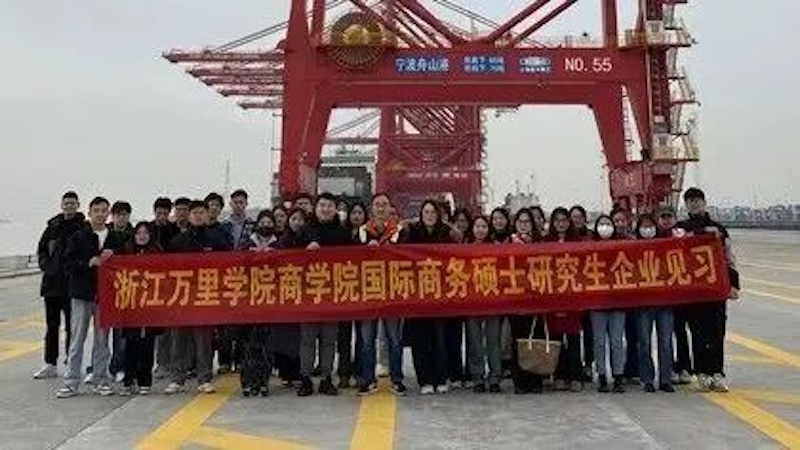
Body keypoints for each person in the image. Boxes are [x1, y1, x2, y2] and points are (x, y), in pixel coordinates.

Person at [56, 196, 126, 398]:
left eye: (104, 210)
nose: (100, 214)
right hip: (81, 294)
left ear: (108, 213)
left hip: (106, 296)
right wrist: (89, 262)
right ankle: (71, 382)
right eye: (97, 210)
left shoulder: (115, 238)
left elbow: (125, 266)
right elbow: (67, 264)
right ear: (89, 212)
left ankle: (101, 379)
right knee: (77, 339)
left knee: (102, 340)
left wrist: (115, 257)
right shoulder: (78, 237)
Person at [164, 200, 233, 395]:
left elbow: (228, 264)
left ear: (207, 214)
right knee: (179, 339)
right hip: (182, 296)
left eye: (201, 212)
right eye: (194, 213)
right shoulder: (178, 241)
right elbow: (166, 267)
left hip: (205, 295)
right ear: (189, 215)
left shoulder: (217, 239)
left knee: (204, 340)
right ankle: (177, 379)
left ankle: (204, 378)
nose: (198, 216)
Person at [678, 188, 740, 393]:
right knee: (697, 333)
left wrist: (733, 285)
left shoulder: (719, 229)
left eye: (697, 200)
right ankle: (702, 372)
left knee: (717, 332)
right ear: (686, 205)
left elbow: (729, 258)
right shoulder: (681, 228)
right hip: (693, 292)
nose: (694, 204)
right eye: (690, 201)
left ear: (704, 202)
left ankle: (718, 372)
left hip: (716, 290)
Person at [296, 192, 352, 396]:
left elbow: (354, 259)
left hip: (332, 294)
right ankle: (305, 378)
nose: (326, 209)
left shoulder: (343, 233)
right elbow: (289, 259)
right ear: (315, 208)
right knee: (307, 340)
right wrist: (305, 250)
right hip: (308, 294)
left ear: (335, 209)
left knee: (329, 340)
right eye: (322, 205)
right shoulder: (305, 230)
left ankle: (326, 378)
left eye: (329, 206)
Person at [356, 193, 408, 397]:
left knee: (394, 339)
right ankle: (367, 380)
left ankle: (397, 379)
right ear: (372, 208)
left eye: (384, 204)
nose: (380, 208)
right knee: (367, 340)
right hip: (368, 293)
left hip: (393, 292)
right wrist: (365, 250)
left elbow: (407, 255)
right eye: (377, 204)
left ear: (390, 208)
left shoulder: (399, 231)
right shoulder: (361, 232)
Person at [403, 200, 453, 394]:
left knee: (440, 340)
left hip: (440, 296)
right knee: (420, 340)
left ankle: (441, 378)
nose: (430, 215)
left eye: (433, 212)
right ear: (421, 214)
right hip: (417, 296)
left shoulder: (446, 234)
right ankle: (424, 379)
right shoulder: (412, 234)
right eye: (426, 212)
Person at [33, 191, 85, 379]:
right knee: (52, 326)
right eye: (66, 203)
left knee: (73, 327)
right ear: (62, 205)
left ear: (78, 205)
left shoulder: (82, 228)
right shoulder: (52, 226)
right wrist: (47, 266)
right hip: (52, 284)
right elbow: (41, 249)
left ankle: (72, 362)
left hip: (72, 286)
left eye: (72, 203)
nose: (69, 206)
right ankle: (50, 363)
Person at [118, 222, 163, 396]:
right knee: (130, 344)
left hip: (150, 306)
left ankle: (145, 381)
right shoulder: (126, 252)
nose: (142, 236)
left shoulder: (158, 253)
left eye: (145, 233)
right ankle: (128, 381)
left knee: (147, 345)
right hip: (131, 305)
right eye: (138, 233)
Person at [237, 209, 278, 397]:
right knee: (247, 344)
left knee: (265, 345)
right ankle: (247, 381)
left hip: (269, 300)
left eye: (269, 223)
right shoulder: (247, 244)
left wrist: (274, 255)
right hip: (248, 300)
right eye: (263, 222)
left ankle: (263, 381)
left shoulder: (279, 244)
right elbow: (236, 264)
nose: (266, 226)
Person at [634, 213, 675, 393]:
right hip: (643, 304)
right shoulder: (631, 247)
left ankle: (666, 379)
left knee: (666, 342)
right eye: (644, 226)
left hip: (664, 303)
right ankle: (647, 379)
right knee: (644, 343)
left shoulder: (664, 245)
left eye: (650, 226)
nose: (647, 229)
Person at [544, 207, 583, 392]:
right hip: (553, 296)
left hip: (572, 296)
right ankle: (559, 375)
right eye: (557, 220)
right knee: (556, 338)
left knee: (574, 338)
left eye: (564, 220)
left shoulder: (577, 242)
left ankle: (576, 376)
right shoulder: (545, 242)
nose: (561, 224)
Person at [218, 189, 256, 374]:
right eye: (236, 202)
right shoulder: (223, 226)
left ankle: (241, 359)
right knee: (225, 320)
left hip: (246, 277)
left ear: (246, 204)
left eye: (242, 202)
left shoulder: (253, 225)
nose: (239, 205)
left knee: (244, 319)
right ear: (231, 204)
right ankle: (224, 361)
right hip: (226, 277)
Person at [509, 208, 546, 394]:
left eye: (527, 222)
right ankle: (520, 381)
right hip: (515, 298)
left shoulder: (540, 243)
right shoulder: (508, 243)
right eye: (520, 222)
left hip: (536, 298)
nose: (523, 225)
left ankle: (536, 379)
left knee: (536, 338)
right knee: (519, 339)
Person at [657, 206, 695, 385]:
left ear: (674, 218)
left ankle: (684, 367)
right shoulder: (653, 238)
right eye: (663, 217)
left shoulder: (682, 235)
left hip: (679, 294)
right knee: (664, 336)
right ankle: (669, 368)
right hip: (660, 294)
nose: (666, 220)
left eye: (669, 217)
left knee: (680, 332)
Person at [465, 216, 503, 393]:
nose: (480, 229)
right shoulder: (465, 249)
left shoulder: (497, 248)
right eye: (477, 226)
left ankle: (495, 377)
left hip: (492, 301)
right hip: (472, 302)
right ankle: (477, 377)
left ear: (488, 229)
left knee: (493, 341)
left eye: (483, 226)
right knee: (474, 341)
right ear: (472, 229)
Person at [589, 214, 626, 393]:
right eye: (601, 224)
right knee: (599, 341)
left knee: (617, 341)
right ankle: (602, 375)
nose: (605, 227)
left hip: (617, 302)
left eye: (608, 224)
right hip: (597, 303)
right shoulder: (589, 248)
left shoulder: (622, 246)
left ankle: (618, 375)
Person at [271, 208, 306, 387]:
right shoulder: (280, 243)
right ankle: (285, 371)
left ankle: (300, 370)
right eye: (294, 218)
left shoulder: (309, 242)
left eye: (301, 219)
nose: (297, 222)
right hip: (285, 293)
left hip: (305, 294)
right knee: (284, 334)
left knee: (301, 335)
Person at [336, 202, 368, 389]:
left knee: (363, 336)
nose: (356, 216)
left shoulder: (370, 234)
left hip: (364, 291)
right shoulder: (341, 234)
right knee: (343, 336)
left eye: (360, 212)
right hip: (345, 289)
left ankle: (359, 371)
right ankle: (343, 372)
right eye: (353, 212)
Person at [612, 207, 639, 383]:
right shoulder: (604, 243)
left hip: (632, 296)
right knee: (615, 339)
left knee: (633, 335)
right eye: (616, 221)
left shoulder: (635, 241)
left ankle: (633, 370)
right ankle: (617, 371)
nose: (619, 224)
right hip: (613, 297)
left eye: (622, 220)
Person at [108, 200, 134, 381]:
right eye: (118, 215)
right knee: (102, 333)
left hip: (127, 290)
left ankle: (120, 366)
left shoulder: (134, 236)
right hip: (105, 289)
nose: (121, 218)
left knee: (122, 333)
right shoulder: (105, 234)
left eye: (124, 215)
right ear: (113, 216)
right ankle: (98, 367)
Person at [569, 204, 595, 382]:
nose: (576, 220)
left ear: (585, 218)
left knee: (589, 330)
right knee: (573, 332)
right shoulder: (567, 238)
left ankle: (589, 364)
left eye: (579, 217)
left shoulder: (592, 237)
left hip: (589, 291)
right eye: (573, 217)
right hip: (570, 292)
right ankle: (574, 365)